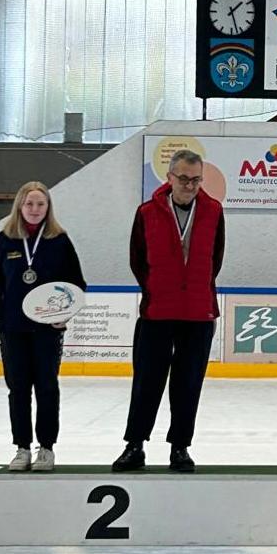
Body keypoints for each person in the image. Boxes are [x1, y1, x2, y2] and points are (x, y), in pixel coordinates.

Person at [112, 149, 225, 474]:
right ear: (170, 177)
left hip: (198, 314)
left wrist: (196, 289)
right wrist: (156, 289)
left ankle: (180, 447)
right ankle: (135, 445)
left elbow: (216, 259)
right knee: (146, 382)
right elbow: (137, 258)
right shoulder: (147, 212)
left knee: (188, 384)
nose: (189, 186)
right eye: (184, 179)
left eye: (196, 180)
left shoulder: (213, 211)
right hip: (157, 312)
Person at [0, 181, 86, 472]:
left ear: (48, 207)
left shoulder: (59, 240)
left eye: (41, 204)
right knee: (18, 389)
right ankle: (22, 448)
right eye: (29, 203)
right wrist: (10, 300)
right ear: (20, 205)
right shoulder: (5, 240)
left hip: (47, 330)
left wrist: (63, 313)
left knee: (47, 388)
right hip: (13, 328)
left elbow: (76, 283)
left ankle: (47, 448)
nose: (35, 209)